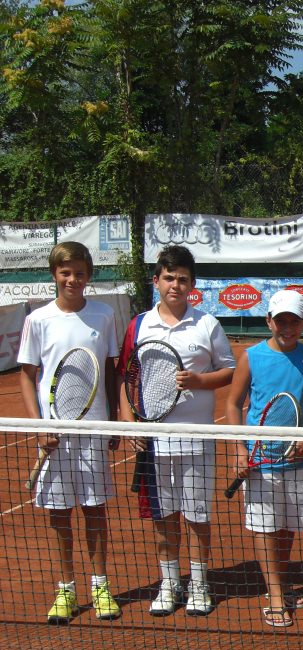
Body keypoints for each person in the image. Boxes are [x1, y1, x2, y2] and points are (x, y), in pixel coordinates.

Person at [118, 245, 235, 617]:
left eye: (182, 279)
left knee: (197, 516)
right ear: (157, 281)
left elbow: (229, 371)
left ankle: (199, 583)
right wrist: (127, 422)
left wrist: (200, 379)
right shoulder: (139, 325)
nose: (175, 285)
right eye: (168, 277)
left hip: (197, 439)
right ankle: (170, 583)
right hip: (154, 442)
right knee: (163, 517)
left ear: (192, 284)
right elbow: (127, 377)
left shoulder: (207, 324)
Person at [19, 241, 122, 623]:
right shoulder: (38, 319)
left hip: (93, 430)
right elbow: (28, 377)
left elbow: (111, 373)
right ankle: (66, 589)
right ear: (54, 275)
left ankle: (100, 585)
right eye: (65, 273)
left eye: (79, 272)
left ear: (88, 275)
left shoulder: (104, 315)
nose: (72, 279)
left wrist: (112, 420)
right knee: (60, 514)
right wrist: (39, 427)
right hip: (54, 435)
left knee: (95, 511)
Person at [225, 289, 303, 628]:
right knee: (266, 528)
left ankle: (278, 585)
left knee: (286, 527)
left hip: (297, 461)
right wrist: (239, 450)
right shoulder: (250, 356)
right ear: (269, 321)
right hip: (259, 462)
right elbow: (232, 404)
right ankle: (277, 596)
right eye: (280, 320)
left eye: (293, 321)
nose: (287, 327)